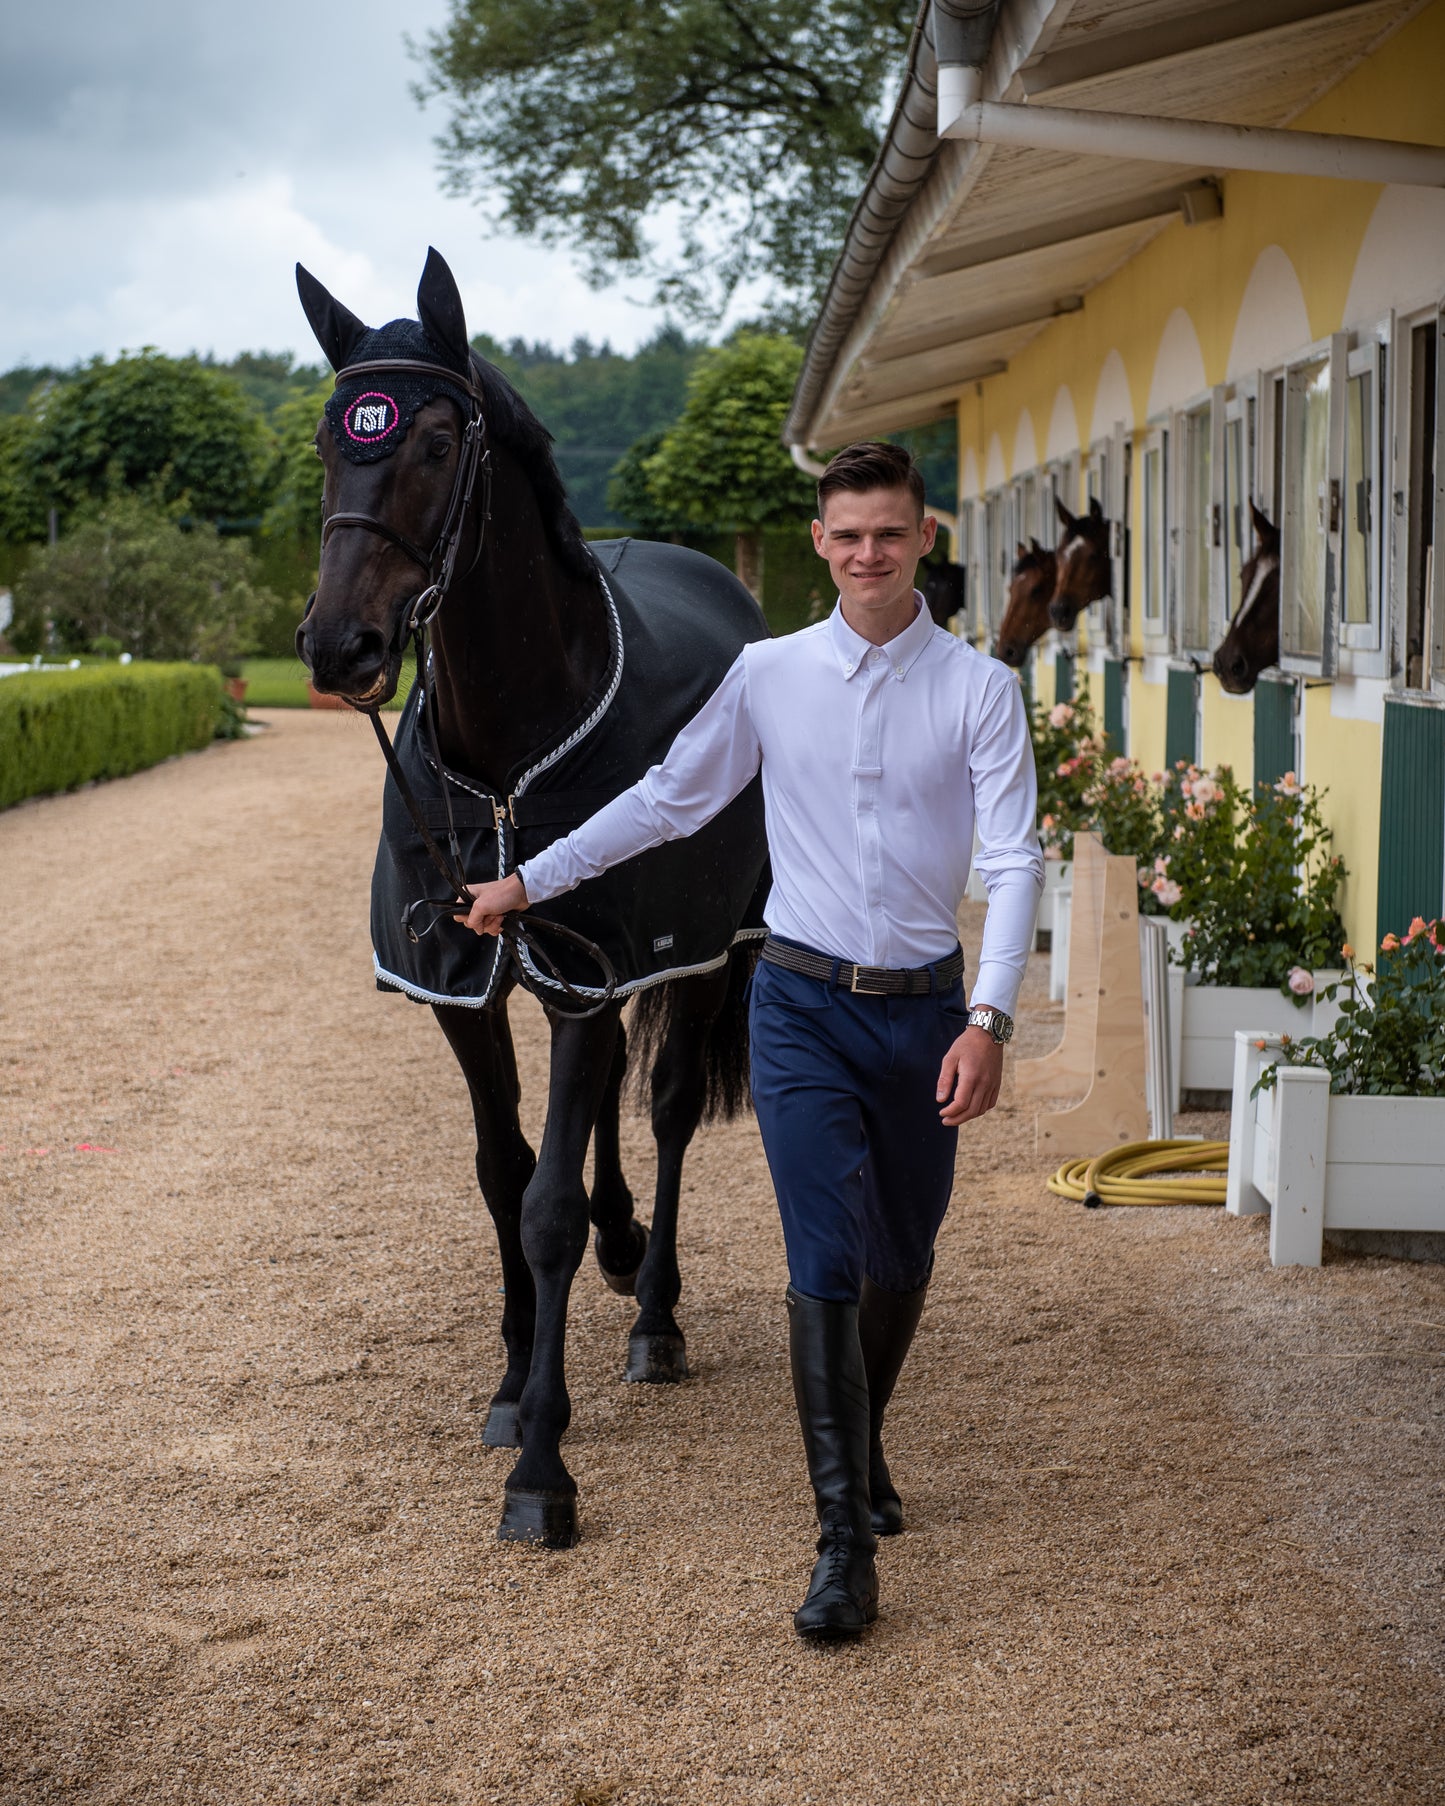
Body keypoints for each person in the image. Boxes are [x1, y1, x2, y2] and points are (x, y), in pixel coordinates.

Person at [459, 441, 1042, 1639]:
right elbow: (671, 797)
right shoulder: (768, 674)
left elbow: (1015, 859)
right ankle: (839, 1545)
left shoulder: (981, 691)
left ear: (922, 537)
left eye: (887, 532)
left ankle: (861, 1442)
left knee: (901, 1256)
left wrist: (987, 1019)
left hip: (925, 1010)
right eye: (845, 535)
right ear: (817, 544)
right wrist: (528, 881)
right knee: (821, 1257)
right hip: (798, 1008)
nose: (866, 554)